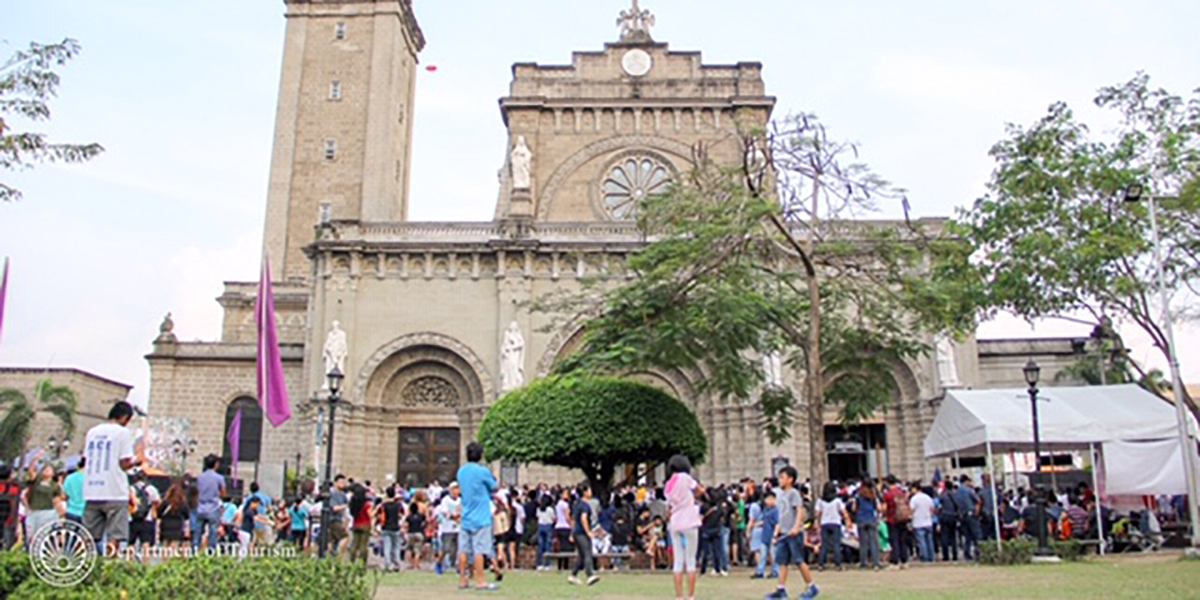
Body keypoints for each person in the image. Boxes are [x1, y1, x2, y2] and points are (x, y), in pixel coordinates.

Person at [83, 401, 143, 556]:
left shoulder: (92, 432)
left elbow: (86, 459)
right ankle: (110, 566)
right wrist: (137, 460)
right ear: (124, 417)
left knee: (88, 537)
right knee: (114, 536)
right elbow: (124, 463)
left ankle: (85, 565)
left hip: (92, 490)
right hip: (114, 491)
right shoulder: (122, 433)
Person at [767, 466, 819, 600]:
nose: (780, 480)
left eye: (783, 477)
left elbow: (800, 511)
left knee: (799, 560)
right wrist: (776, 532)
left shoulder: (794, 493)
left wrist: (796, 527)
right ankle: (781, 589)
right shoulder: (780, 494)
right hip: (784, 533)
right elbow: (782, 515)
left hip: (794, 533)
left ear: (790, 479)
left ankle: (812, 586)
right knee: (782, 562)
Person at [456, 441, 500, 592]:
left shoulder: (461, 471)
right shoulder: (483, 471)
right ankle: (480, 581)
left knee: (463, 550)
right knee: (479, 550)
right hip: (481, 517)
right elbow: (494, 486)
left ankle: (463, 580)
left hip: (466, 516)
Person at [665, 454, 703, 600]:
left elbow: (669, 506)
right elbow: (698, 490)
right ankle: (691, 595)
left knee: (678, 561)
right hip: (690, 521)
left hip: (675, 523)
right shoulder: (684, 477)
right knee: (691, 560)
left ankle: (679, 596)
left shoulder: (668, 484)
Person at [23, 460, 63, 542]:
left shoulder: (54, 485)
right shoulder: (37, 481)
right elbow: (31, 472)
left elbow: (57, 499)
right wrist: (33, 461)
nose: (47, 471)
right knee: (31, 534)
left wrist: (61, 511)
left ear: (53, 473)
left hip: (47, 512)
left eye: (49, 469)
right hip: (34, 510)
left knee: (43, 534)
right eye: (45, 469)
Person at [568, 483, 600, 586]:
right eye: (589, 490)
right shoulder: (585, 506)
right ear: (585, 492)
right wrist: (588, 532)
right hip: (582, 532)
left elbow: (573, 519)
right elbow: (583, 519)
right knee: (587, 553)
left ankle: (573, 575)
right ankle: (590, 574)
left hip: (576, 532)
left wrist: (572, 533)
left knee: (581, 555)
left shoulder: (576, 504)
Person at [192, 454, 224, 551]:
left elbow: (197, 491)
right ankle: (211, 551)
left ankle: (195, 549)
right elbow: (223, 492)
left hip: (201, 507)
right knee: (213, 531)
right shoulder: (219, 478)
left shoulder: (200, 477)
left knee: (198, 531)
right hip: (213, 507)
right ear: (215, 464)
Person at [815, 482, 848, 571]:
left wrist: (816, 522)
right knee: (836, 544)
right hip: (835, 522)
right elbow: (843, 511)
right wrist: (848, 521)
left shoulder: (820, 501)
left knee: (824, 545)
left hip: (824, 523)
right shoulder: (837, 500)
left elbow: (818, 513)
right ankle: (838, 564)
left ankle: (821, 564)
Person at [882, 474, 912, 569]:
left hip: (892, 519)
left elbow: (884, 508)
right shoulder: (902, 492)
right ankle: (905, 560)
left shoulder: (888, 494)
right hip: (903, 518)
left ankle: (895, 562)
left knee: (894, 540)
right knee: (903, 540)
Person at [157, 478, 191, 555]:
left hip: (165, 526)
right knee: (174, 545)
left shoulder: (165, 503)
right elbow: (187, 518)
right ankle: (172, 562)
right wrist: (186, 531)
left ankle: (164, 562)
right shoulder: (182, 504)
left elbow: (159, 514)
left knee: (165, 546)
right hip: (177, 526)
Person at [854, 481, 882, 570]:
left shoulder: (858, 496)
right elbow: (877, 508)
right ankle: (876, 563)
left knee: (863, 543)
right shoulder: (873, 495)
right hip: (871, 519)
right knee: (874, 542)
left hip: (861, 519)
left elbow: (854, 508)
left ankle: (863, 563)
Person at [754, 491, 781, 579]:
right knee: (763, 555)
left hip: (772, 536)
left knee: (773, 555)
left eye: (772, 499)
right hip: (764, 536)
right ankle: (760, 572)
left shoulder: (775, 511)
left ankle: (775, 571)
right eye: (768, 499)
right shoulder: (765, 510)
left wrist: (775, 535)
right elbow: (764, 521)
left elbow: (777, 524)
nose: (770, 501)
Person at [954, 475, 981, 560]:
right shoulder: (969, 491)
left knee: (967, 536)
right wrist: (977, 512)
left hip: (962, 516)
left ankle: (967, 553)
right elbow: (978, 501)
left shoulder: (957, 492)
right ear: (966, 481)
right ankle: (978, 553)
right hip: (971, 515)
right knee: (977, 535)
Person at [437, 482, 461, 572]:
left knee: (458, 548)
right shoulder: (446, 500)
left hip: (458, 527)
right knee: (446, 548)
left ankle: (458, 566)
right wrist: (452, 516)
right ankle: (439, 563)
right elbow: (445, 512)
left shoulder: (460, 500)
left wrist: (459, 515)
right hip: (447, 528)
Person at [347, 483, 374, 565]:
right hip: (365, 524)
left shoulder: (354, 503)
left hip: (356, 523)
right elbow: (371, 515)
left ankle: (351, 560)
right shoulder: (366, 504)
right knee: (363, 545)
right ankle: (363, 562)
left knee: (354, 543)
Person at [910, 484, 936, 562]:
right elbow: (932, 508)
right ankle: (931, 556)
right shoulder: (928, 498)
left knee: (922, 541)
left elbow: (911, 510)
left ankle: (925, 557)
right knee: (929, 541)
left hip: (918, 522)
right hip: (928, 521)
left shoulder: (914, 499)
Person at [405, 490, 429, 570]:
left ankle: (411, 563)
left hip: (411, 530)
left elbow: (407, 518)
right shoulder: (424, 506)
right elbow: (427, 518)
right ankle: (417, 564)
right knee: (418, 549)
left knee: (409, 548)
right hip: (419, 529)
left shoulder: (411, 505)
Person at [328, 474, 350, 556]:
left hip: (339, 519)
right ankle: (339, 556)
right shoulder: (333, 493)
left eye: (344, 482)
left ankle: (332, 556)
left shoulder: (342, 494)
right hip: (333, 519)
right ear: (335, 483)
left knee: (333, 540)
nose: (343, 484)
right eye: (341, 482)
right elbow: (334, 508)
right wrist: (344, 506)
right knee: (345, 537)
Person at [553, 487, 573, 570]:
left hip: (558, 527)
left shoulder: (558, 504)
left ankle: (559, 565)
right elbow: (567, 517)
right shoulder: (565, 505)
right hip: (565, 527)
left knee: (560, 547)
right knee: (566, 548)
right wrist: (572, 525)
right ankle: (565, 566)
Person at [61, 457, 86, 525]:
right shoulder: (91, 479)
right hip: (86, 512)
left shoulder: (69, 478)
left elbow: (63, 495)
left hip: (71, 511)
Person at [535, 495, 555, 570]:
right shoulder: (550, 509)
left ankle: (539, 563)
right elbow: (553, 518)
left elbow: (537, 517)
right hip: (548, 526)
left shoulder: (538, 509)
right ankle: (547, 563)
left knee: (541, 545)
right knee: (548, 545)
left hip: (540, 526)